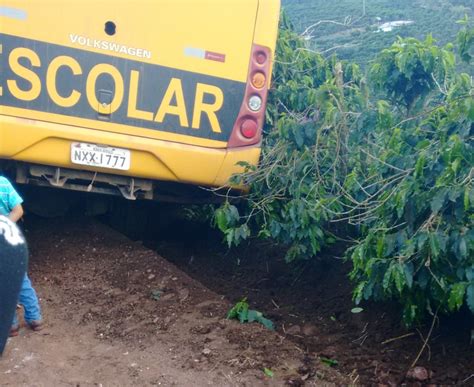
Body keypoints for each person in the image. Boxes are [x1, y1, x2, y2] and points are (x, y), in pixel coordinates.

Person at [0, 176, 43, 336]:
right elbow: (19, 210)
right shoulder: (3, 183)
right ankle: (35, 318)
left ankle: (10, 325)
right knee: (21, 281)